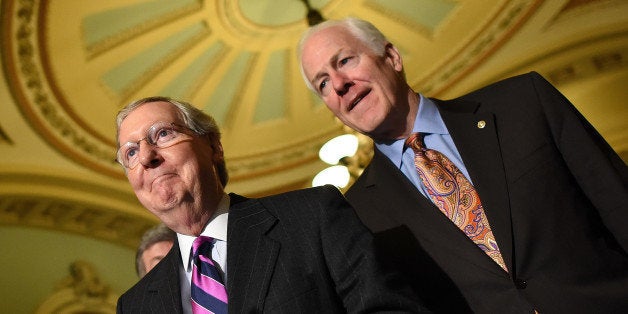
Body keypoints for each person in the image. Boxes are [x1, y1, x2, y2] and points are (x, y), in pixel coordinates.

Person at [298, 17, 628, 314]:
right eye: (323, 83)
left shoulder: (522, 102)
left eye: (344, 60)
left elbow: (617, 202)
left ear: (392, 57)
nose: (339, 83)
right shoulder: (357, 212)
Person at [114, 96, 428, 313]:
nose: (146, 157)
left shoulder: (312, 216)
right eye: (129, 152)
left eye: (163, 134)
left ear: (213, 145)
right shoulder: (136, 304)